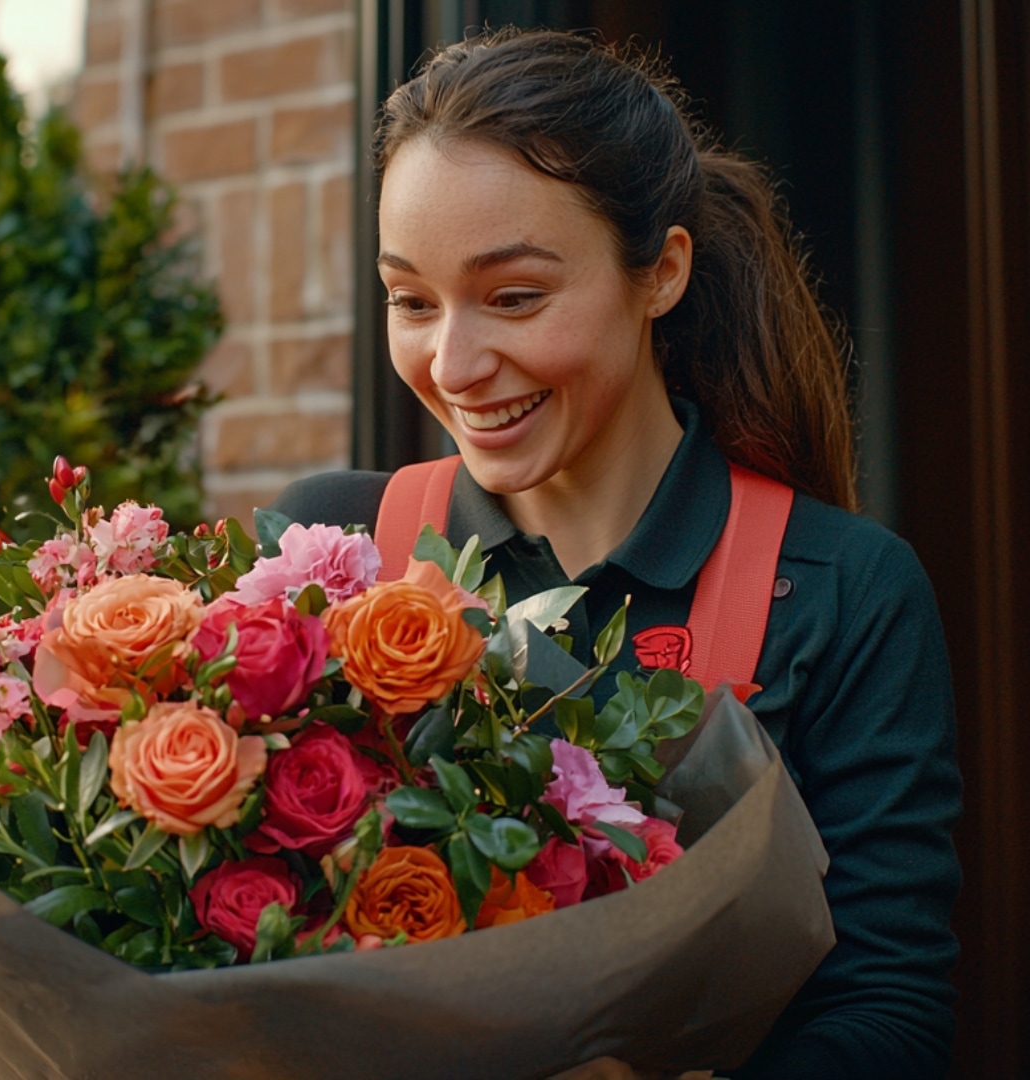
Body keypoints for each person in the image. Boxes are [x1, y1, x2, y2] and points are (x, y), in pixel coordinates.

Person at [271, 29, 961, 1079]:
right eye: (413, 301)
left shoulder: (841, 590)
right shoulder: (330, 554)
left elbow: (890, 1015)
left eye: (514, 297)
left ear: (663, 273)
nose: (454, 363)